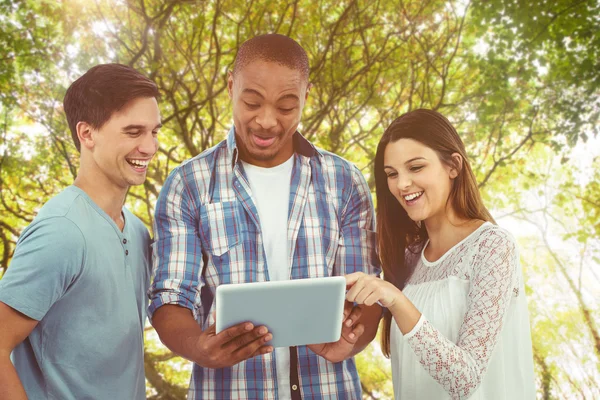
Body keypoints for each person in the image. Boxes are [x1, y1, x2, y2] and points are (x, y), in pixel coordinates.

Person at [149, 33, 381, 399]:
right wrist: (198, 347)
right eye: (252, 102)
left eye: (286, 106)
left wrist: (352, 341)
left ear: (307, 97)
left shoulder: (344, 182)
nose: (267, 121)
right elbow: (169, 297)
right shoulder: (188, 185)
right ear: (230, 86)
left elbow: (367, 294)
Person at [345, 109, 536, 399]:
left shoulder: (492, 246)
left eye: (416, 167)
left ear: (453, 166)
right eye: (392, 174)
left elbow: (465, 378)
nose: (402, 184)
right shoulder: (407, 258)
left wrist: (397, 300)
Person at [0, 63, 161, 399]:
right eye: (133, 132)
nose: (149, 147)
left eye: (154, 132)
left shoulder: (137, 229)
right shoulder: (62, 231)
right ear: (87, 134)